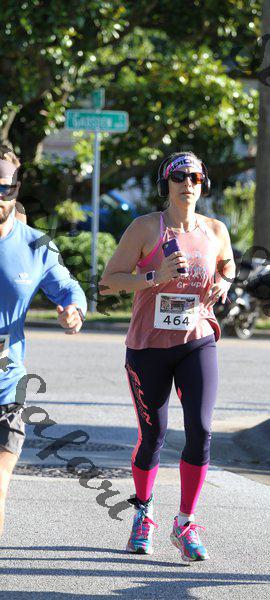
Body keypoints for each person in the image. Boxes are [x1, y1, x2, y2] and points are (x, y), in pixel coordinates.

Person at [100, 151, 235, 562]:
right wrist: (154, 277)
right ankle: (143, 513)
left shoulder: (215, 230)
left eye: (196, 177)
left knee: (202, 429)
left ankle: (185, 522)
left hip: (197, 341)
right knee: (153, 436)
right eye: (179, 176)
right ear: (167, 183)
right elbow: (108, 282)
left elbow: (228, 265)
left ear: (203, 184)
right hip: (148, 348)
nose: (188, 184)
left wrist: (225, 282)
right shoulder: (145, 228)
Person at [0, 145, 87, 536]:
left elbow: (68, 287)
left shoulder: (35, 245)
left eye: (5, 187)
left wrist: (74, 309)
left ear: (16, 189)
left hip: (5, 386)